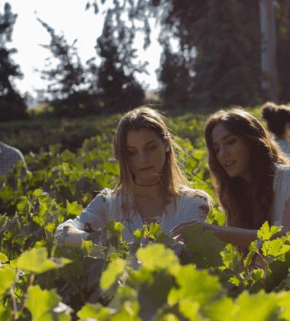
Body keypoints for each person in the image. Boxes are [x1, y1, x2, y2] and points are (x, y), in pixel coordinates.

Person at [174, 108, 290, 258]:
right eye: (216, 148)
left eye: (230, 142)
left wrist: (215, 232)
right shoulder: (239, 197)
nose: (222, 154)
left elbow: (289, 241)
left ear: (252, 140)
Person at [55, 106, 211, 247]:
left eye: (151, 148)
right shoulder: (109, 203)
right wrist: (103, 243)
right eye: (132, 152)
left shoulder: (194, 202)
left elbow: (181, 253)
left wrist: (117, 252)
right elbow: (61, 234)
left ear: (166, 144)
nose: (143, 159)